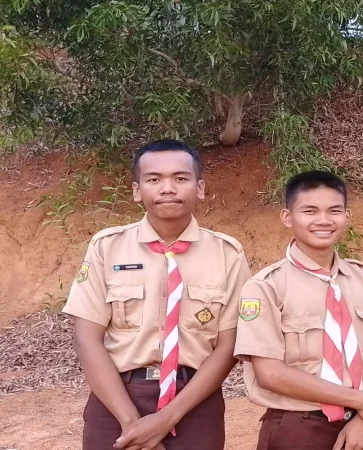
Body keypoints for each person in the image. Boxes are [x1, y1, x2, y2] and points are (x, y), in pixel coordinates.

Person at [63, 139, 251, 450]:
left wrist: (168, 417)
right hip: (117, 400)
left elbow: (228, 346)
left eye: (180, 178)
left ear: (200, 187)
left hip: (194, 404)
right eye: (154, 179)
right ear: (137, 190)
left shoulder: (227, 254)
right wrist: (131, 424)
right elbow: (87, 338)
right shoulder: (106, 248)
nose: (167, 188)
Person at [233, 170, 363, 450]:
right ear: (288, 217)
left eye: (334, 210)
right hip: (297, 427)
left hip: (357, 426)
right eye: (310, 211)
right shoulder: (266, 287)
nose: (323, 220)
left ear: (347, 216)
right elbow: (270, 373)